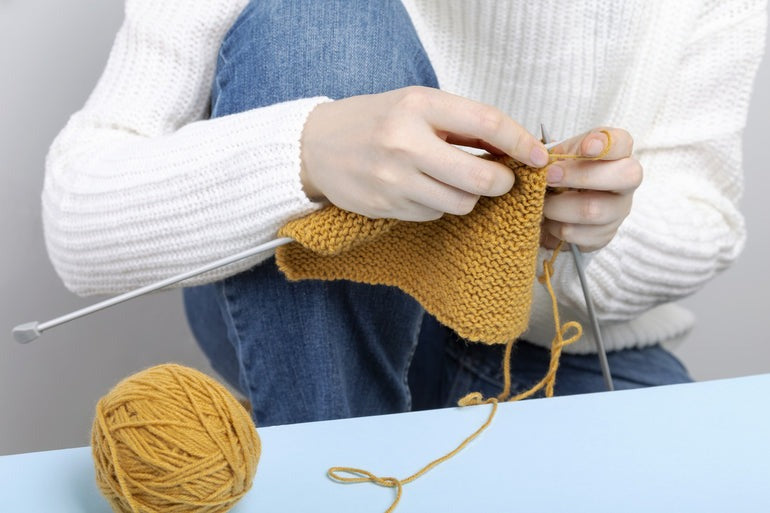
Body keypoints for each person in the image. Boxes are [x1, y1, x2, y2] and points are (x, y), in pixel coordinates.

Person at [42, 0, 767, 425]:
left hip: (563, 358)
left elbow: (705, 219)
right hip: (322, 348)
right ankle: (333, 457)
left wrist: (592, 229)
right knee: (322, 26)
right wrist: (303, 156)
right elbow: (79, 223)